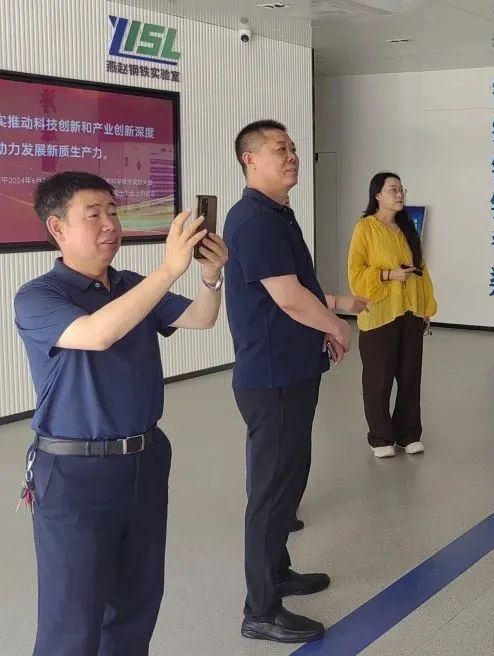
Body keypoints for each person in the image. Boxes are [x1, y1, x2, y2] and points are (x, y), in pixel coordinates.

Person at [13, 171, 228, 656]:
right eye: (94, 215)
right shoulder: (38, 296)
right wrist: (167, 271)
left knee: (136, 604)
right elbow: (96, 334)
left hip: (144, 460)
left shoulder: (131, 285)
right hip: (74, 473)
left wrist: (211, 278)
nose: (111, 224)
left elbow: (202, 317)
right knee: (72, 619)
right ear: (57, 228)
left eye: (113, 212)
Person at [223, 119, 366, 643]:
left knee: (289, 480)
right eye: (279, 149)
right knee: (271, 492)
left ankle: (277, 572)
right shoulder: (253, 220)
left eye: (293, 148)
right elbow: (286, 297)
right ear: (249, 159)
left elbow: (295, 288)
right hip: (272, 376)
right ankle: (260, 609)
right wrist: (337, 326)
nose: (292, 156)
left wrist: (330, 311)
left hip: (292, 370)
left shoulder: (277, 215)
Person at [347, 172, 437, 458]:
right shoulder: (365, 228)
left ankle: (408, 434)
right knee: (379, 379)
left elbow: (422, 272)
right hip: (379, 315)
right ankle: (380, 437)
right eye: (393, 189)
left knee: (410, 377)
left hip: (410, 313)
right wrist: (388, 275)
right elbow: (355, 273)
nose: (399, 195)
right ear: (377, 196)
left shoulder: (407, 228)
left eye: (401, 190)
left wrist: (426, 308)